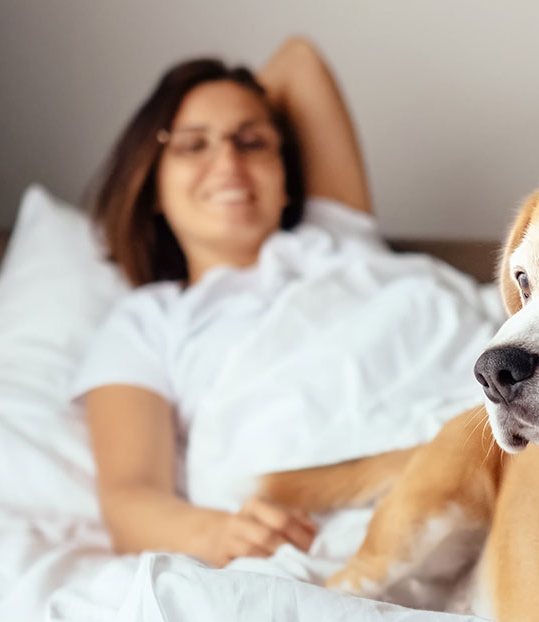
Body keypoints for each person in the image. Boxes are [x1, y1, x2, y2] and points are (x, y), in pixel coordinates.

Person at [75, 37, 371, 566]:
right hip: (318, 523)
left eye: (251, 142)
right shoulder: (148, 321)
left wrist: (224, 103)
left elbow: (298, 59)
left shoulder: (339, 241)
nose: (228, 160)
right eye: (193, 146)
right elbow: (129, 497)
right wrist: (221, 535)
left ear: (285, 179)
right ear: (154, 187)